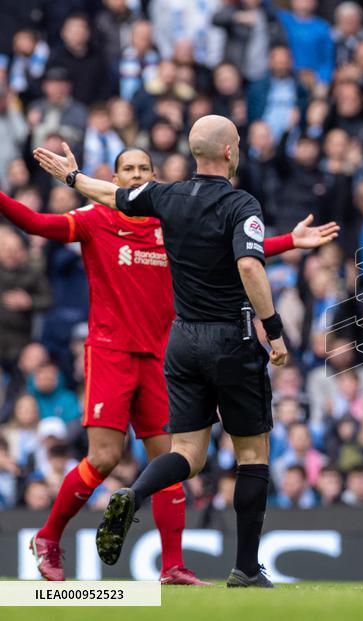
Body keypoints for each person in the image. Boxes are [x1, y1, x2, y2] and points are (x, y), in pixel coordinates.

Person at [0, 147, 336, 583]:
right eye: (128, 169)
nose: (136, 174)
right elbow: (35, 223)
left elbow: (229, 250)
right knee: (103, 458)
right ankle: (48, 537)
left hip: (164, 356)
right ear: (115, 178)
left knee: (173, 459)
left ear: (152, 178)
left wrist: (290, 240)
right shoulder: (93, 220)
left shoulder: (169, 219)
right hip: (111, 351)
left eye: (143, 169)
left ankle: (172, 565)